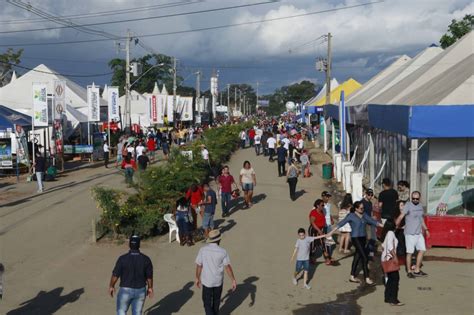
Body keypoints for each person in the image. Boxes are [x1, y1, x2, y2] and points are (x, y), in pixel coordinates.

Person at [327, 201, 384, 284]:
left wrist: (385, 226)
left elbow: (373, 221)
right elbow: (341, 224)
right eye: (361, 208)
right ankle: (367, 278)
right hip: (355, 238)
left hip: (363, 238)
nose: (362, 209)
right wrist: (331, 232)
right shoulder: (351, 215)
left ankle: (352, 276)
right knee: (364, 257)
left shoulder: (364, 215)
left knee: (357, 256)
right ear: (356, 209)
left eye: (363, 208)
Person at [109, 235, 153, 315]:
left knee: (121, 311)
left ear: (129, 244)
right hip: (140, 290)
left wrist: (111, 286)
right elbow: (149, 277)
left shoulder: (122, 259)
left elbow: (115, 275)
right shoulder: (146, 259)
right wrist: (150, 288)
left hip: (125, 289)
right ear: (139, 245)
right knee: (137, 313)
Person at [195, 229, 237, 315]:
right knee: (216, 302)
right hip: (218, 281)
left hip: (207, 282)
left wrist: (197, 278)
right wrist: (233, 280)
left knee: (207, 303)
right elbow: (227, 267)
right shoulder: (223, 252)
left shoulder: (203, 250)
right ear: (219, 240)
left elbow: (199, 265)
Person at [395, 191, 430, 278]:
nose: (415, 200)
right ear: (411, 198)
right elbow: (401, 215)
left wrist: (426, 229)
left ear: (419, 198)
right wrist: (396, 224)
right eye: (413, 198)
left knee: (422, 250)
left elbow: (421, 219)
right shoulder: (408, 205)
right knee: (409, 252)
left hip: (419, 233)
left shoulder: (420, 206)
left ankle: (417, 270)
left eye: (416, 199)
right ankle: (409, 271)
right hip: (410, 233)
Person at [381, 220, 404, 306]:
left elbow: (383, 246)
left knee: (390, 279)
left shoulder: (386, 233)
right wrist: (395, 257)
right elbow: (390, 247)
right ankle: (393, 299)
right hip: (390, 259)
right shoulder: (391, 233)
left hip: (385, 259)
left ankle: (388, 297)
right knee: (395, 279)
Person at [308, 199, 332, 265]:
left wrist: (331, 220)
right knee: (313, 244)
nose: (323, 206)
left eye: (323, 205)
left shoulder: (322, 211)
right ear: (317, 205)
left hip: (321, 230)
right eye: (322, 205)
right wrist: (318, 230)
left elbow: (328, 215)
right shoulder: (313, 212)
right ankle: (312, 258)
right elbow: (312, 222)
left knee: (323, 243)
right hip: (313, 229)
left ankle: (327, 258)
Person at [362, 189, 377, 259]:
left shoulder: (370, 203)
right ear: (366, 193)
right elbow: (361, 213)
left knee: (371, 238)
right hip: (363, 222)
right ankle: (364, 252)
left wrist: (372, 217)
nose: (370, 196)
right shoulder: (362, 202)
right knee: (366, 238)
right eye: (369, 194)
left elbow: (371, 212)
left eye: (371, 195)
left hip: (370, 222)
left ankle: (370, 253)